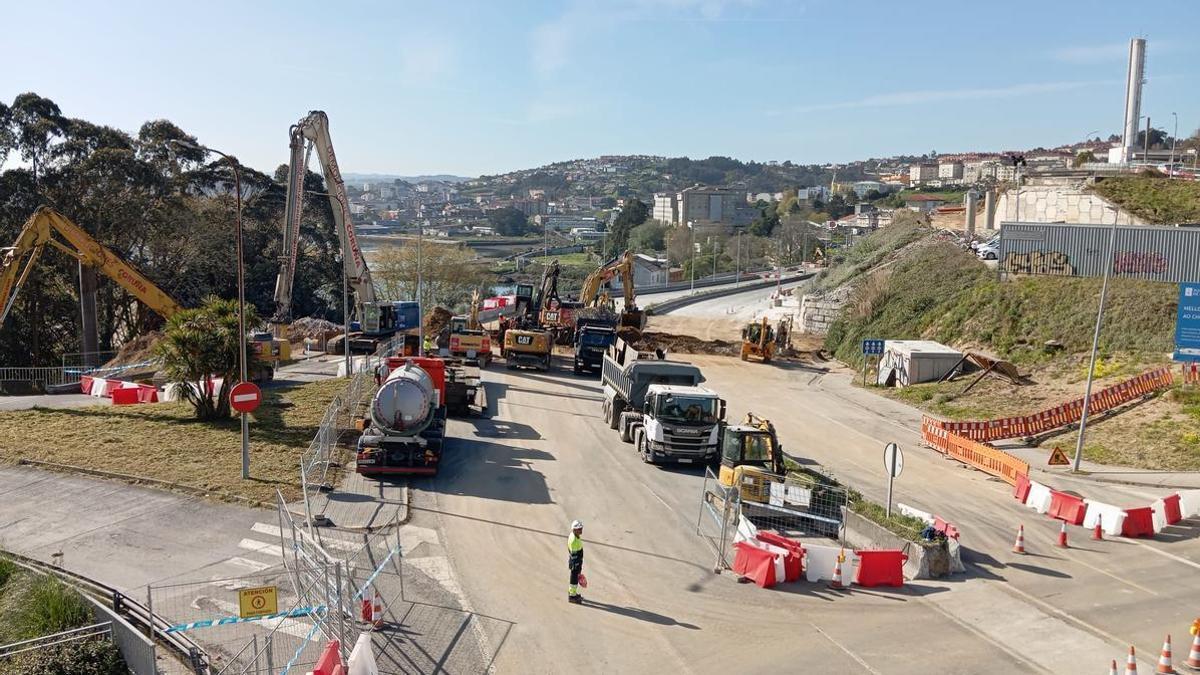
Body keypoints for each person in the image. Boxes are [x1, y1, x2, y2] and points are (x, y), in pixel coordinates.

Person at [567, 520, 584, 604]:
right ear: (574, 529)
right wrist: (577, 565)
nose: (581, 530)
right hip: (575, 562)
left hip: (577, 560)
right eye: (579, 529)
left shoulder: (574, 535)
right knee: (574, 579)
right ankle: (572, 596)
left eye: (581, 528)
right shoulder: (573, 540)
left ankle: (572, 593)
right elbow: (574, 555)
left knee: (575, 578)